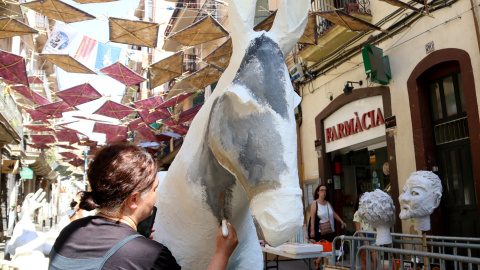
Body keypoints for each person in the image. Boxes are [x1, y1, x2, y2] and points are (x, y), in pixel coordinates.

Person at [49, 143, 238, 270]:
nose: (157, 196)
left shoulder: (70, 232)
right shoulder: (149, 256)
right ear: (133, 200)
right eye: (155, 189)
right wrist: (222, 253)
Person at [309, 185, 346, 270]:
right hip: (321, 231)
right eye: (321, 190)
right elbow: (312, 217)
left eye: (325, 190)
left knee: (327, 250)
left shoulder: (328, 203)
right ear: (318, 192)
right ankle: (325, 267)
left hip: (330, 230)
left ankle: (318, 262)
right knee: (325, 251)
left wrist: (341, 221)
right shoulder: (315, 203)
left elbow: (334, 214)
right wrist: (312, 230)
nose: (323, 192)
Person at [353, 193, 375, 270]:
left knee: (376, 259)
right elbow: (358, 229)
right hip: (363, 236)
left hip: (371, 235)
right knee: (364, 260)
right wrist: (364, 240)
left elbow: (373, 225)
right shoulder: (357, 213)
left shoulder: (371, 212)